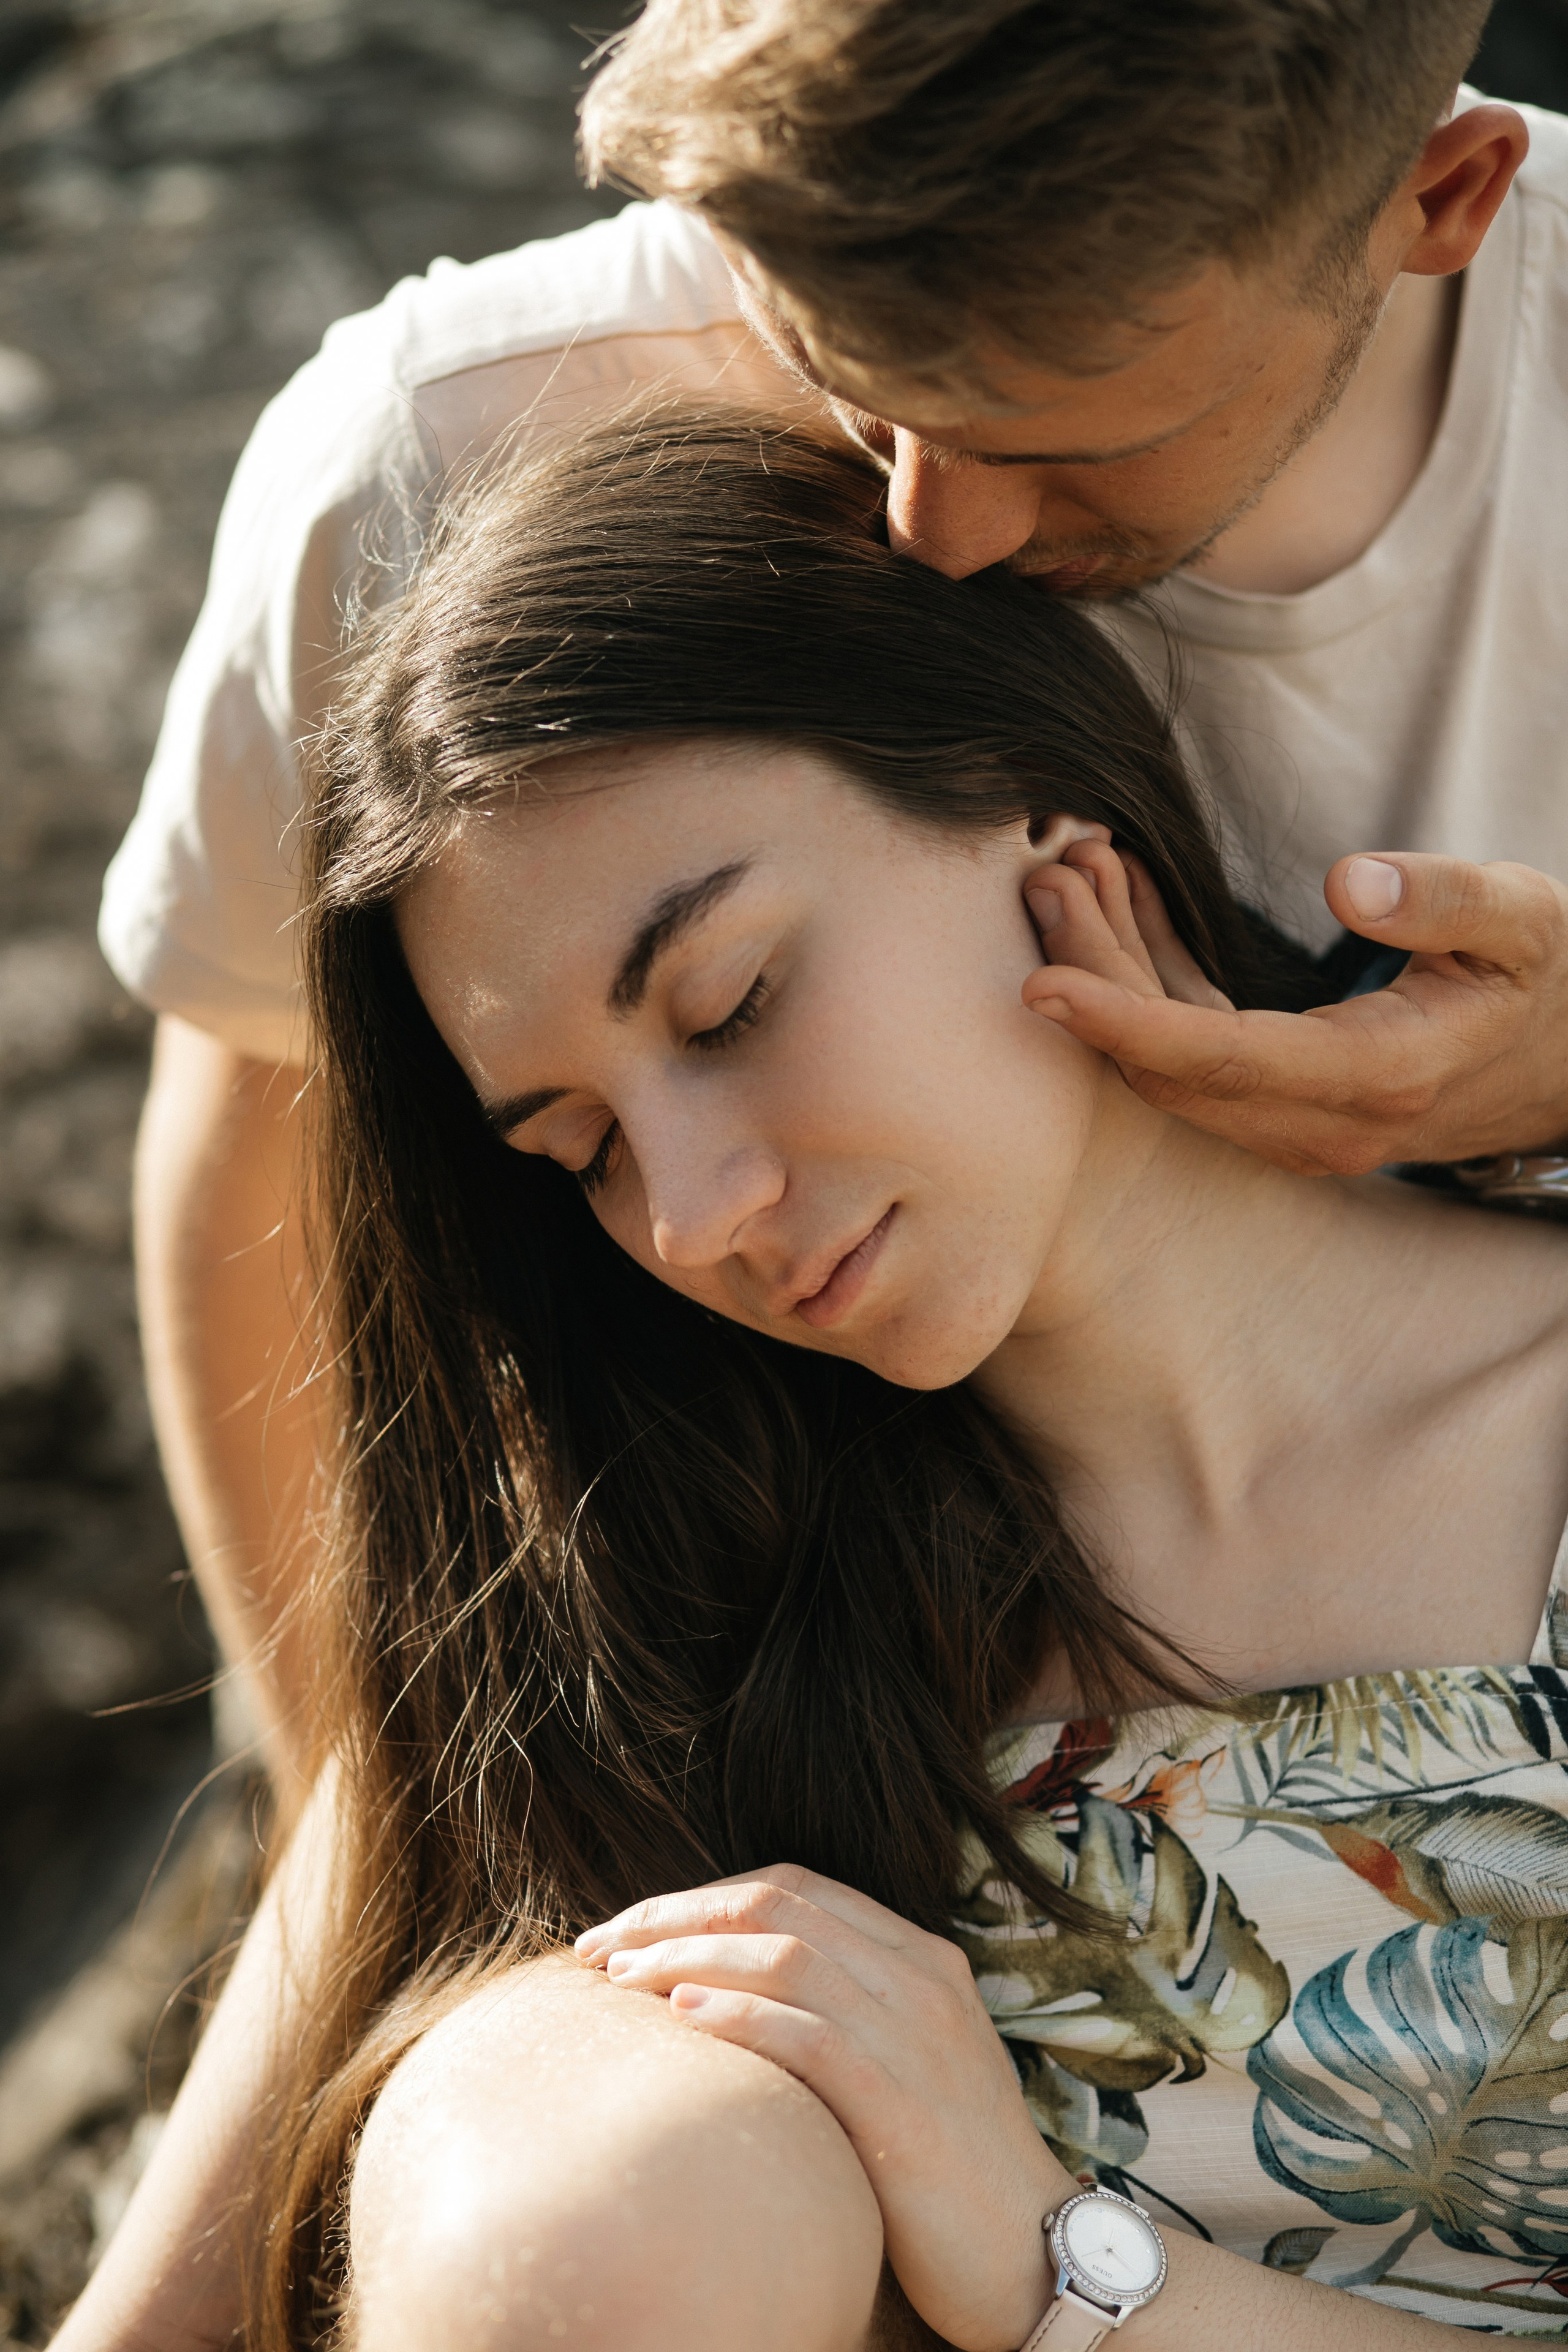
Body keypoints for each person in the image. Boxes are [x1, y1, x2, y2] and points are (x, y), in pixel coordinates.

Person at [64, 412, 1568, 2352]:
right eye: (578, 1151)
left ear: (1053, 823)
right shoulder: (670, 1601)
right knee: (598, 2182)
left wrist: (1056, 2260)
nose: (692, 1217)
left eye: (730, 1003)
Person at [100, 0, 1568, 1805]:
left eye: (1053, 426)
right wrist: (369, 1808)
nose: (935, 527)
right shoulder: (428, 453)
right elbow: (274, 1132)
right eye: (848, 368)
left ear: (1445, 195)